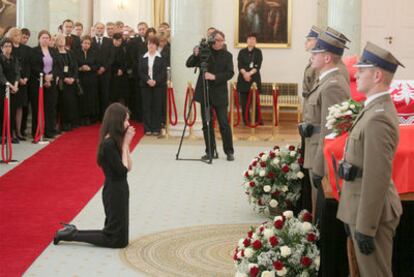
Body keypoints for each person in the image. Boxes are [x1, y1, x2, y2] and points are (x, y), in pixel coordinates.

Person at [337, 42, 404, 277]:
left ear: (377, 75)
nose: (357, 73)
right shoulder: (373, 108)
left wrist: (366, 227)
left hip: (371, 214)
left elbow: (377, 178)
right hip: (359, 208)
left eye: (362, 69)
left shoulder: (379, 117)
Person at [53, 103, 135, 248]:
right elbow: (122, 170)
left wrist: (126, 145)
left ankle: (72, 232)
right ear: (116, 121)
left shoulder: (115, 141)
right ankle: (71, 234)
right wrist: (125, 145)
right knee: (116, 240)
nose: (128, 124)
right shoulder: (108, 145)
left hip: (120, 188)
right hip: (114, 190)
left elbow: (129, 167)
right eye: (125, 120)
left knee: (118, 237)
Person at [302, 31, 350, 224]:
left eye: (316, 52)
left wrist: (320, 167)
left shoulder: (333, 85)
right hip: (313, 149)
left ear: (328, 57)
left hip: (319, 156)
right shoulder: (326, 80)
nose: (312, 55)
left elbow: (329, 131)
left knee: (319, 210)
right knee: (315, 207)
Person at [186, 30, 235, 161]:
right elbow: (189, 64)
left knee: (224, 124)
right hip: (205, 94)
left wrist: (215, 77)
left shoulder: (227, 55)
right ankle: (210, 151)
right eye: (218, 40)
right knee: (207, 123)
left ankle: (229, 151)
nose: (220, 43)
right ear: (212, 41)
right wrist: (195, 54)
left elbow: (230, 73)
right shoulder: (204, 52)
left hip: (220, 94)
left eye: (222, 40)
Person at [299, 25, 322, 213]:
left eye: (309, 39)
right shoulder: (311, 61)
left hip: (312, 114)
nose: (306, 42)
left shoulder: (318, 66)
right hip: (308, 109)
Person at [29, 30, 61, 139]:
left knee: (50, 107)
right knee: (37, 108)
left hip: (51, 83)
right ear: (39, 39)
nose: (45, 39)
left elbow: (57, 66)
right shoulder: (34, 51)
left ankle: (49, 131)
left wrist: (51, 76)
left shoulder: (53, 51)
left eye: (47, 38)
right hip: (38, 83)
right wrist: (43, 76)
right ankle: (37, 131)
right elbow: (33, 67)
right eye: (43, 37)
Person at [138, 36, 167, 136]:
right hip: (145, 85)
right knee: (146, 107)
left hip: (158, 86)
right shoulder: (142, 57)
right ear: (147, 45)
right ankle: (147, 128)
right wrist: (148, 80)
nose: (151, 46)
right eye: (149, 43)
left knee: (157, 107)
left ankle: (156, 128)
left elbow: (163, 73)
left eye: (153, 44)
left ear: (157, 46)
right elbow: (140, 72)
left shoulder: (162, 57)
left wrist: (155, 81)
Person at [7, 28, 30, 141]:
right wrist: (18, 78)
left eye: (19, 35)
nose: (18, 37)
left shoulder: (25, 49)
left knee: (20, 107)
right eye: (16, 35)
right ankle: (12, 132)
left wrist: (26, 78)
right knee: (12, 107)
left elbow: (28, 65)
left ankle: (19, 131)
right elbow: (12, 67)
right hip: (13, 82)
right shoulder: (9, 48)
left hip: (23, 83)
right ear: (11, 36)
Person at [236, 32, 263, 126]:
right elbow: (240, 65)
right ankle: (246, 120)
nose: (251, 41)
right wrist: (245, 74)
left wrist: (249, 74)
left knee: (255, 101)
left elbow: (257, 66)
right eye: (249, 39)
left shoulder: (258, 52)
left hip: (254, 79)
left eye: (253, 39)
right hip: (243, 79)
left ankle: (257, 119)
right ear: (246, 40)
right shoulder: (242, 52)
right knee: (244, 102)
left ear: (256, 41)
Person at [55, 34, 79, 131]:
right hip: (61, 82)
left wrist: (73, 78)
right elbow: (56, 68)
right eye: (59, 39)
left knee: (70, 103)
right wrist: (64, 78)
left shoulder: (70, 53)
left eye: (63, 39)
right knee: (62, 103)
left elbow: (75, 67)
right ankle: (62, 124)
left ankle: (70, 122)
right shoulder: (54, 53)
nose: (61, 41)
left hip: (71, 82)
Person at [0, 38, 20, 143]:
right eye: (6, 46)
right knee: (2, 112)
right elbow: (1, 75)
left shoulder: (14, 58)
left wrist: (16, 85)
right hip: (3, 89)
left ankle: (10, 134)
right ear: (1, 48)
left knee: (12, 112)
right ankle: (2, 135)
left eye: (10, 46)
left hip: (14, 89)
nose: (8, 48)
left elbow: (17, 72)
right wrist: (10, 86)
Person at [92, 22, 113, 120]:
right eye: (98, 28)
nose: (100, 30)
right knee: (94, 94)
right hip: (94, 73)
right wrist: (96, 68)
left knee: (105, 94)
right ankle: (95, 115)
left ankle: (104, 116)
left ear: (104, 30)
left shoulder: (108, 41)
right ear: (95, 29)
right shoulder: (90, 41)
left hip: (106, 72)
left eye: (101, 28)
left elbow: (111, 57)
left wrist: (104, 68)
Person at [76, 35, 98, 125]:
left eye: (88, 43)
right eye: (85, 43)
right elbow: (73, 65)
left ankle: (89, 117)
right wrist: (80, 68)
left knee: (90, 98)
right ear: (81, 43)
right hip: (80, 78)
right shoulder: (76, 52)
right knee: (81, 98)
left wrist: (90, 68)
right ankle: (81, 117)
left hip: (91, 78)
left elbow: (97, 65)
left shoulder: (94, 53)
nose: (86, 45)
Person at [110, 33, 128, 105]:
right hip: (112, 74)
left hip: (122, 75)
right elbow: (109, 61)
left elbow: (126, 61)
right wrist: (116, 70)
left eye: (119, 40)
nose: (117, 42)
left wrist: (122, 69)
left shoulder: (123, 49)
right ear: (113, 40)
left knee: (121, 94)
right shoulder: (109, 49)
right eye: (116, 40)